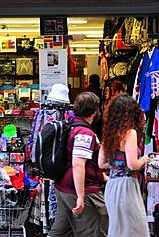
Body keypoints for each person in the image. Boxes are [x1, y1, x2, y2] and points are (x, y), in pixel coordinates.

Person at [49, 92, 108, 237]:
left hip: (63, 186)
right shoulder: (84, 133)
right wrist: (80, 196)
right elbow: (78, 164)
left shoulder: (71, 125)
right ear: (94, 111)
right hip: (82, 189)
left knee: (61, 231)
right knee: (93, 229)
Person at [98, 94, 150, 237]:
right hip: (127, 186)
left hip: (112, 185)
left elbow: (101, 163)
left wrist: (117, 165)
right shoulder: (130, 133)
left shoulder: (109, 133)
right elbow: (133, 164)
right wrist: (145, 159)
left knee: (116, 229)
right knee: (135, 229)